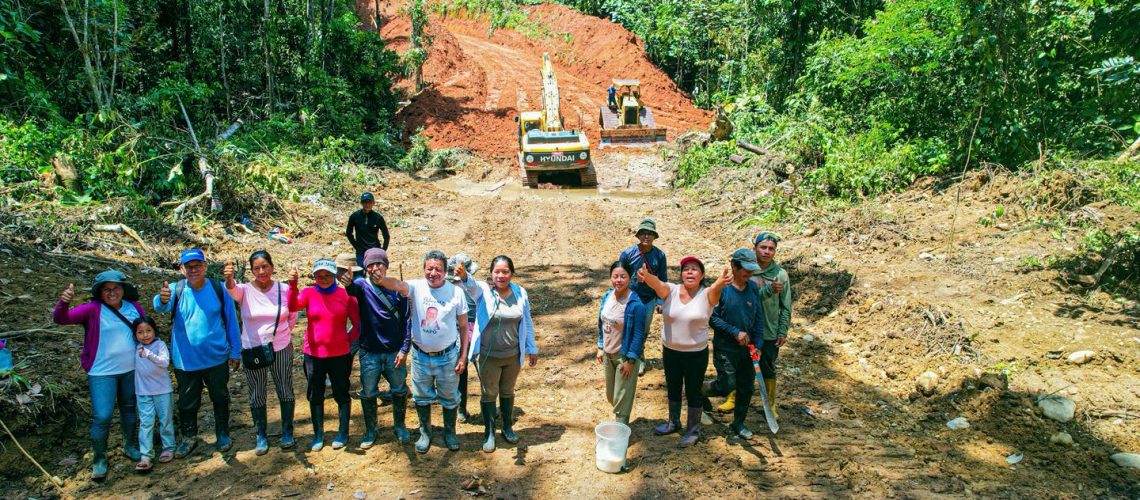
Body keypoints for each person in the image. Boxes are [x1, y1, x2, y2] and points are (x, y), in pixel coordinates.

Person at [53, 270, 146, 481]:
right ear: (99, 292)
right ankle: (99, 458)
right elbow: (61, 318)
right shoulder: (92, 310)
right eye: (106, 289)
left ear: (123, 289)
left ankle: (130, 446)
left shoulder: (134, 308)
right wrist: (64, 302)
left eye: (116, 288)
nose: (112, 293)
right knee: (102, 416)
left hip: (131, 370)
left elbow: (144, 331)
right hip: (102, 372)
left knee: (129, 409)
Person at [373, 250, 469, 453]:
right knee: (421, 397)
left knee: (450, 397)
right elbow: (398, 285)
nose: (433, 273)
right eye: (429, 268)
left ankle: (450, 433)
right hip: (421, 357)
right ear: (423, 269)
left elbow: (463, 326)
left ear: (445, 272)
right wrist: (381, 280)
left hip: (448, 356)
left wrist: (463, 356)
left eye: (438, 269)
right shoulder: (416, 287)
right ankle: (425, 433)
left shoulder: (456, 292)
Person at [154, 249, 241, 457]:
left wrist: (236, 351)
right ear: (182, 269)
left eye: (197, 265)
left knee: (220, 397)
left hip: (216, 357)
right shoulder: (176, 290)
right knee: (187, 401)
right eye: (189, 266)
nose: (193, 270)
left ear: (205, 266)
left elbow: (231, 321)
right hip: (186, 360)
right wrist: (162, 299)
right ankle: (189, 437)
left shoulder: (219, 289)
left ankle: (223, 434)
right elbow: (160, 306)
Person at [638, 256, 731, 447]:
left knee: (693, 391)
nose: (689, 272)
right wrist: (647, 276)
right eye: (686, 269)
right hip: (670, 351)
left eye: (694, 269)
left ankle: (692, 430)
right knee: (673, 386)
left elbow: (715, 289)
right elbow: (657, 284)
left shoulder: (707, 294)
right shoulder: (671, 290)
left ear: (702, 275)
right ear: (681, 274)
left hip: (696, 354)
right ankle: (673, 422)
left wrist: (720, 282)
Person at [224, 250, 299, 454]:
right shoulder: (244, 290)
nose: (261, 271)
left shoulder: (283, 289)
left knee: (285, 388)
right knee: (257, 392)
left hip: (280, 346)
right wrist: (229, 277)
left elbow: (292, 313)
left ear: (272, 267)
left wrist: (283, 333)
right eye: (256, 268)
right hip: (253, 349)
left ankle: (287, 432)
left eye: (265, 266)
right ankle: (261, 435)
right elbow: (231, 288)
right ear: (251, 271)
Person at [463, 255, 538, 453]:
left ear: (512, 273)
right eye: (497, 271)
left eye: (505, 272)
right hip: (489, 356)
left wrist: (531, 348)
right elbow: (471, 286)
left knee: (507, 391)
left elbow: (527, 320)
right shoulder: (484, 291)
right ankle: (489, 432)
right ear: (491, 273)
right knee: (489, 393)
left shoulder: (520, 292)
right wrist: (464, 276)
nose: (501, 275)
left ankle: (507, 427)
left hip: (513, 356)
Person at [288, 258, 360, 451]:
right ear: (314, 277)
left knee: (341, 392)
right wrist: (292, 285)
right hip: (313, 354)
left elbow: (357, 324)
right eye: (319, 276)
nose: (324, 279)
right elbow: (293, 306)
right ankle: (318, 435)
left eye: (328, 275)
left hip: (339, 354)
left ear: (335, 275)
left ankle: (343, 433)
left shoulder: (345, 296)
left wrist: (347, 340)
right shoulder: (309, 293)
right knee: (315, 394)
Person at [344, 248, 412, 449]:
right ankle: (371, 430)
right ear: (365, 268)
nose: (375, 268)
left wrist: (404, 348)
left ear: (386, 266)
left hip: (394, 352)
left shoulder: (397, 288)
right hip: (369, 352)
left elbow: (407, 319)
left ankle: (400, 426)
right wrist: (347, 283)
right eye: (370, 265)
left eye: (379, 264)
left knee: (399, 389)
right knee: (368, 392)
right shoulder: (361, 286)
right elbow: (352, 290)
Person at [703, 248, 765, 438]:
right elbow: (712, 318)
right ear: (734, 266)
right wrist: (735, 332)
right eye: (745, 269)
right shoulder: (722, 288)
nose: (749, 273)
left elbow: (759, 318)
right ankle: (700, 390)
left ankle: (739, 423)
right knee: (726, 385)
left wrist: (758, 344)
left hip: (749, 349)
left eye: (752, 269)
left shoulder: (753, 288)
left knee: (746, 387)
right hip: (726, 348)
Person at [595, 260, 647, 425]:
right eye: (615, 276)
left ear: (630, 278)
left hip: (624, 356)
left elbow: (638, 335)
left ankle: (620, 432)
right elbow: (601, 322)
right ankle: (619, 426)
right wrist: (600, 346)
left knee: (622, 400)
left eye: (623, 276)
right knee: (612, 396)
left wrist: (631, 361)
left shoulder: (636, 305)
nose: (618, 280)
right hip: (608, 354)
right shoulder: (607, 296)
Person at [751, 232, 792, 418]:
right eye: (763, 247)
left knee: (767, 366)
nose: (767, 252)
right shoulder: (746, 271)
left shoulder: (780, 275)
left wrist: (782, 330)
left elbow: (786, 306)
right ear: (755, 248)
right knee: (740, 366)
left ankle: (770, 405)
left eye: (771, 249)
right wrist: (767, 290)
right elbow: (744, 298)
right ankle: (733, 398)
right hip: (747, 328)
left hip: (769, 329)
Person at [619, 217, 667, 376]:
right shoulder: (627, 254)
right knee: (627, 326)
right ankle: (627, 354)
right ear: (638, 235)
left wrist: (661, 300)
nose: (646, 236)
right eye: (643, 233)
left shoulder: (659, 256)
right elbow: (620, 275)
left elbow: (663, 279)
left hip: (648, 299)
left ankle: (639, 357)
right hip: (630, 297)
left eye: (650, 233)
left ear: (654, 236)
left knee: (643, 329)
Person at [131, 316, 175, 472]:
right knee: (146, 423)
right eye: (140, 332)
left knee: (165, 420)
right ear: (135, 334)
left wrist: (149, 354)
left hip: (162, 390)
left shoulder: (160, 345)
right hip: (143, 392)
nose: (145, 335)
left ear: (154, 331)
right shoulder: (135, 348)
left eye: (148, 330)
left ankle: (168, 447)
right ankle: (146, 456)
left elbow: (165, 362)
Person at [446, 252, 479, 423]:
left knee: (460, 371)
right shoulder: (476, 287)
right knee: (483, 372)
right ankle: (486, 408)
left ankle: (461, 409)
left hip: (458, 332)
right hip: (473, 332)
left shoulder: (448, 289)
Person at [345, 192, 391, 272]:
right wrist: (356, 246)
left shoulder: (378, 217)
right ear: (361, 203)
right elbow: (348, 233)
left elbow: (386, 235)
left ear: (373, 203)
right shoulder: (355, 216)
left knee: (376, 274)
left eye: (369, 202)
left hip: (374, 251)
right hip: (361, 252)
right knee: (360, 273)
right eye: (365, 202)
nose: (367, 204)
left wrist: (382, 250)